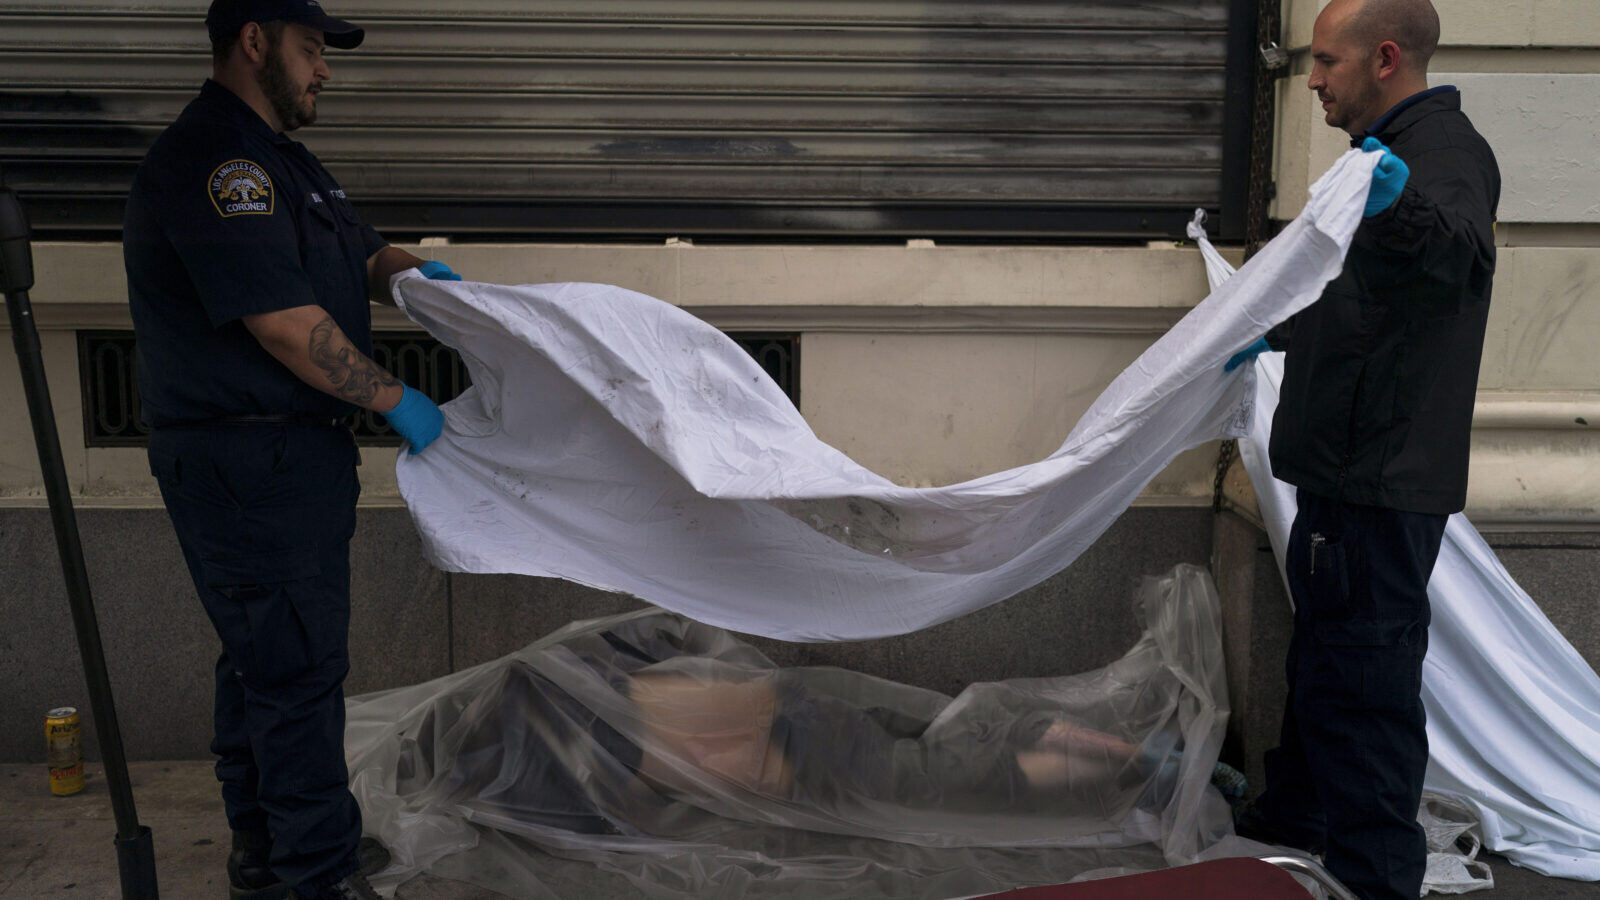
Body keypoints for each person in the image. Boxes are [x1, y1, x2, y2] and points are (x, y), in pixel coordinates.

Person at [122, 1, 463, 897]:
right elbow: (280, 324)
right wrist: (399, 400)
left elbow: (358, 256)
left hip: (284, 463)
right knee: (298, 674)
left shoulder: (286, 162)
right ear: (254, 41)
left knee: (263, 661)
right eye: (311, 49)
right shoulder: (216, 164)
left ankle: (263, 851)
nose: (325, 70)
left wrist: (429, 287)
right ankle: (313, 875)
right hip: (248, 465)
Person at [1227, 1, 1500, 897]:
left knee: (1366, 690)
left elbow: (1455, 255)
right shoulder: (1379, 159)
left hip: (1377, 483)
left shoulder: (1443, 154)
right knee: (1327, 661)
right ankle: (1294, 817)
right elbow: (1367, 303)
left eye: (1326, 62)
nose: (1311, 80)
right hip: (1348, 473)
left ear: (1385, 59)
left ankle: (1378, 880)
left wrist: (1396, 204)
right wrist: (1281, 334)